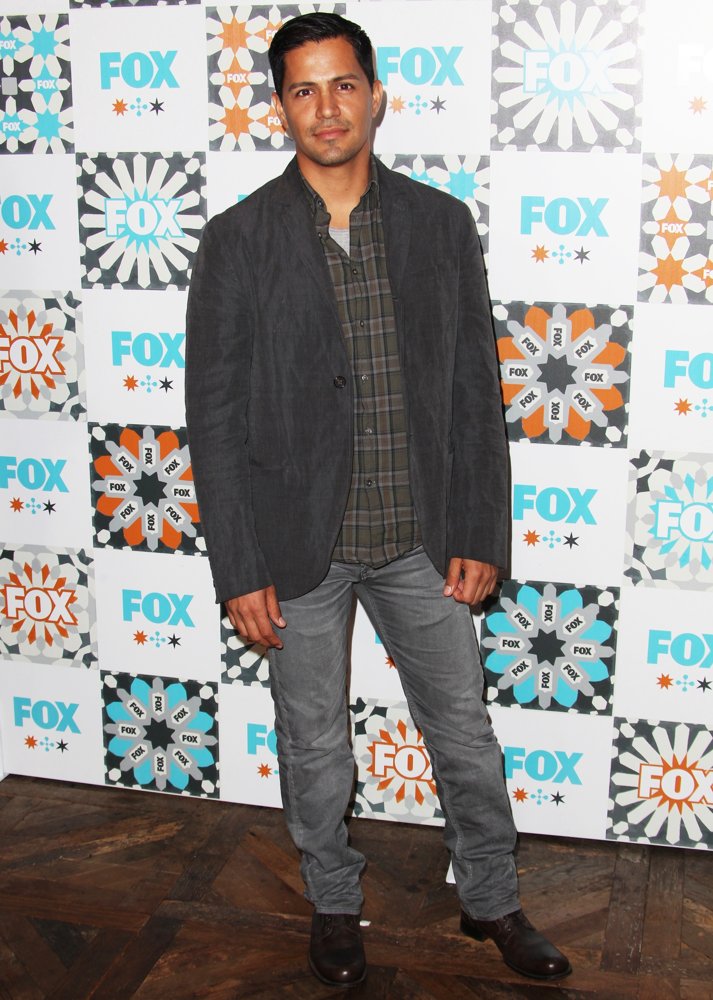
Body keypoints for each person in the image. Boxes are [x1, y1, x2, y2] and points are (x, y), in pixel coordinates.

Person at [185, 12, 571, 988]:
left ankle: (490, 898)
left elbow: (474, 391)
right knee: (314, 746)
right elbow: (214, 419)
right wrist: (238, 567)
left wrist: (479, 528)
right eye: (303, 89)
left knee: (464, 736)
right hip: (295, 549)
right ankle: (332, 902)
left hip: (419, 540)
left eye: (343, 85)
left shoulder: (440, 225)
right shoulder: (237, 240)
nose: (326, 108)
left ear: (375, 96)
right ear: (280, 107)